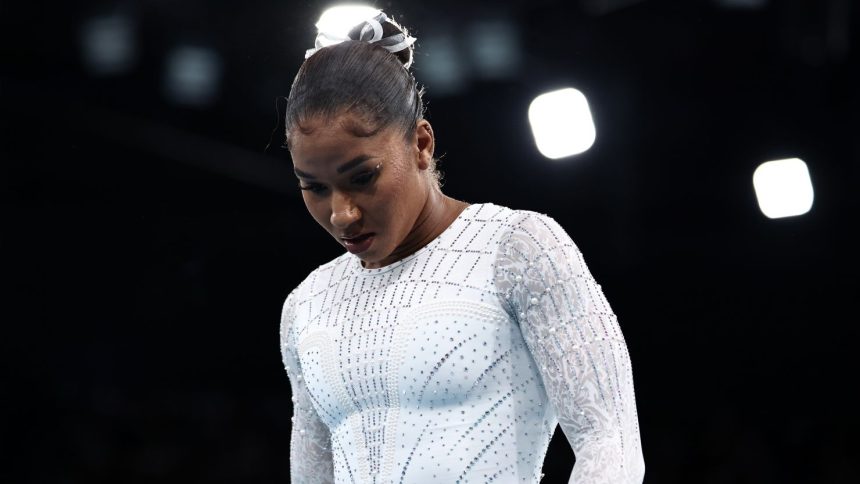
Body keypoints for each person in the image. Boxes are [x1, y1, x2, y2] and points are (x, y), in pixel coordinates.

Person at [279, 10, 644, 483]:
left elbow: (609, 442)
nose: (341, 213)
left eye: (362, 177)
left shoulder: (518, 249)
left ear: (421, 143)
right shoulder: (307, 305)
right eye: (315, 187)